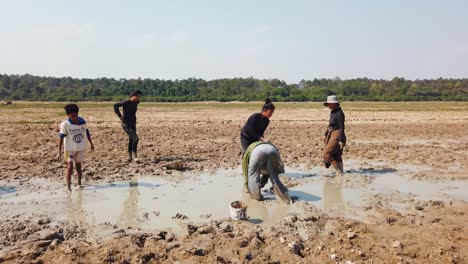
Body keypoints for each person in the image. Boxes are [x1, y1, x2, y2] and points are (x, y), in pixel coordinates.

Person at [57, 103, 95, 192]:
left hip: (81, 148)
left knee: (78, 167)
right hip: (69, 149)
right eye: (72, 116)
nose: (75, 117)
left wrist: (91, 143)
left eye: (76, 115)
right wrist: (59, 152)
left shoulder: (82, 121)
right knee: (70, 167)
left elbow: (87, 133)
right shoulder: (65, 125)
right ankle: (68, 187)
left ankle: (79, 184)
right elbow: (61, 138)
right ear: (68, 115)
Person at [114, 90, 143, 162]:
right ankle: (135, 156)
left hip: (133, 123)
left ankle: (130, 157)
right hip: (126, 124)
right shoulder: (126, 102)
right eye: (138, 97)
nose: (139, 98)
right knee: (136, 138)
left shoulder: (136, 102)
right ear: (134, 96)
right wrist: (120, 116)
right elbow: (115, 106)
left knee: (131, 139)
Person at [323, 95, 346, 175]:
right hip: (332, 133)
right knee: (336, 154)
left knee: (328, 153)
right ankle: (341, 171)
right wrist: (325, 134)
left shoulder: (339, 113)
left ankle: (339, 171)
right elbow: (330, 125)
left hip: (337, 134)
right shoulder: (333, 112)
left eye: (330, 103)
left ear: (335, 104)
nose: (328, 105)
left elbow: (341, 127)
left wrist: (340, 139)